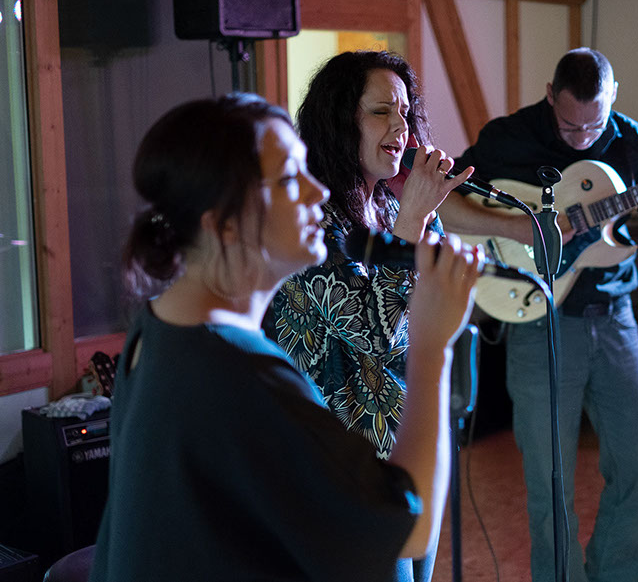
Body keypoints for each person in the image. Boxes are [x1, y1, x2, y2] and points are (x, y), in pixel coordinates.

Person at [87, 93, 481, 582]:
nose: (318, 192)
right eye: (292, 179)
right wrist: (431, 345)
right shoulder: (241, 372)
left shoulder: (160, 323)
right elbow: (408, 533)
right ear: (224, 223)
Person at [438, 47, 638, 582]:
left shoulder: (630, 141)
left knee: (637, 472)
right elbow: (445, 204)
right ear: (550, 96)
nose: (582, 136)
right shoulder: (508, 138)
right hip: (537, 321)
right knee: (548, 484)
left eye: (593, 125)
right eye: (569, 125)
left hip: (614, 319)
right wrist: (521, 228)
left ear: (614, 97)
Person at [271, 50, 474, 582]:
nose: (401, 127)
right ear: (341, 122)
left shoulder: (387, 208)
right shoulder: (311, 224)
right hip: (340, 474)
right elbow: (376, 332)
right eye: (382, 111)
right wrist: (414, 217)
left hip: (406, 452)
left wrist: (423, 214)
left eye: (406, 112)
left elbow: (433, 298)